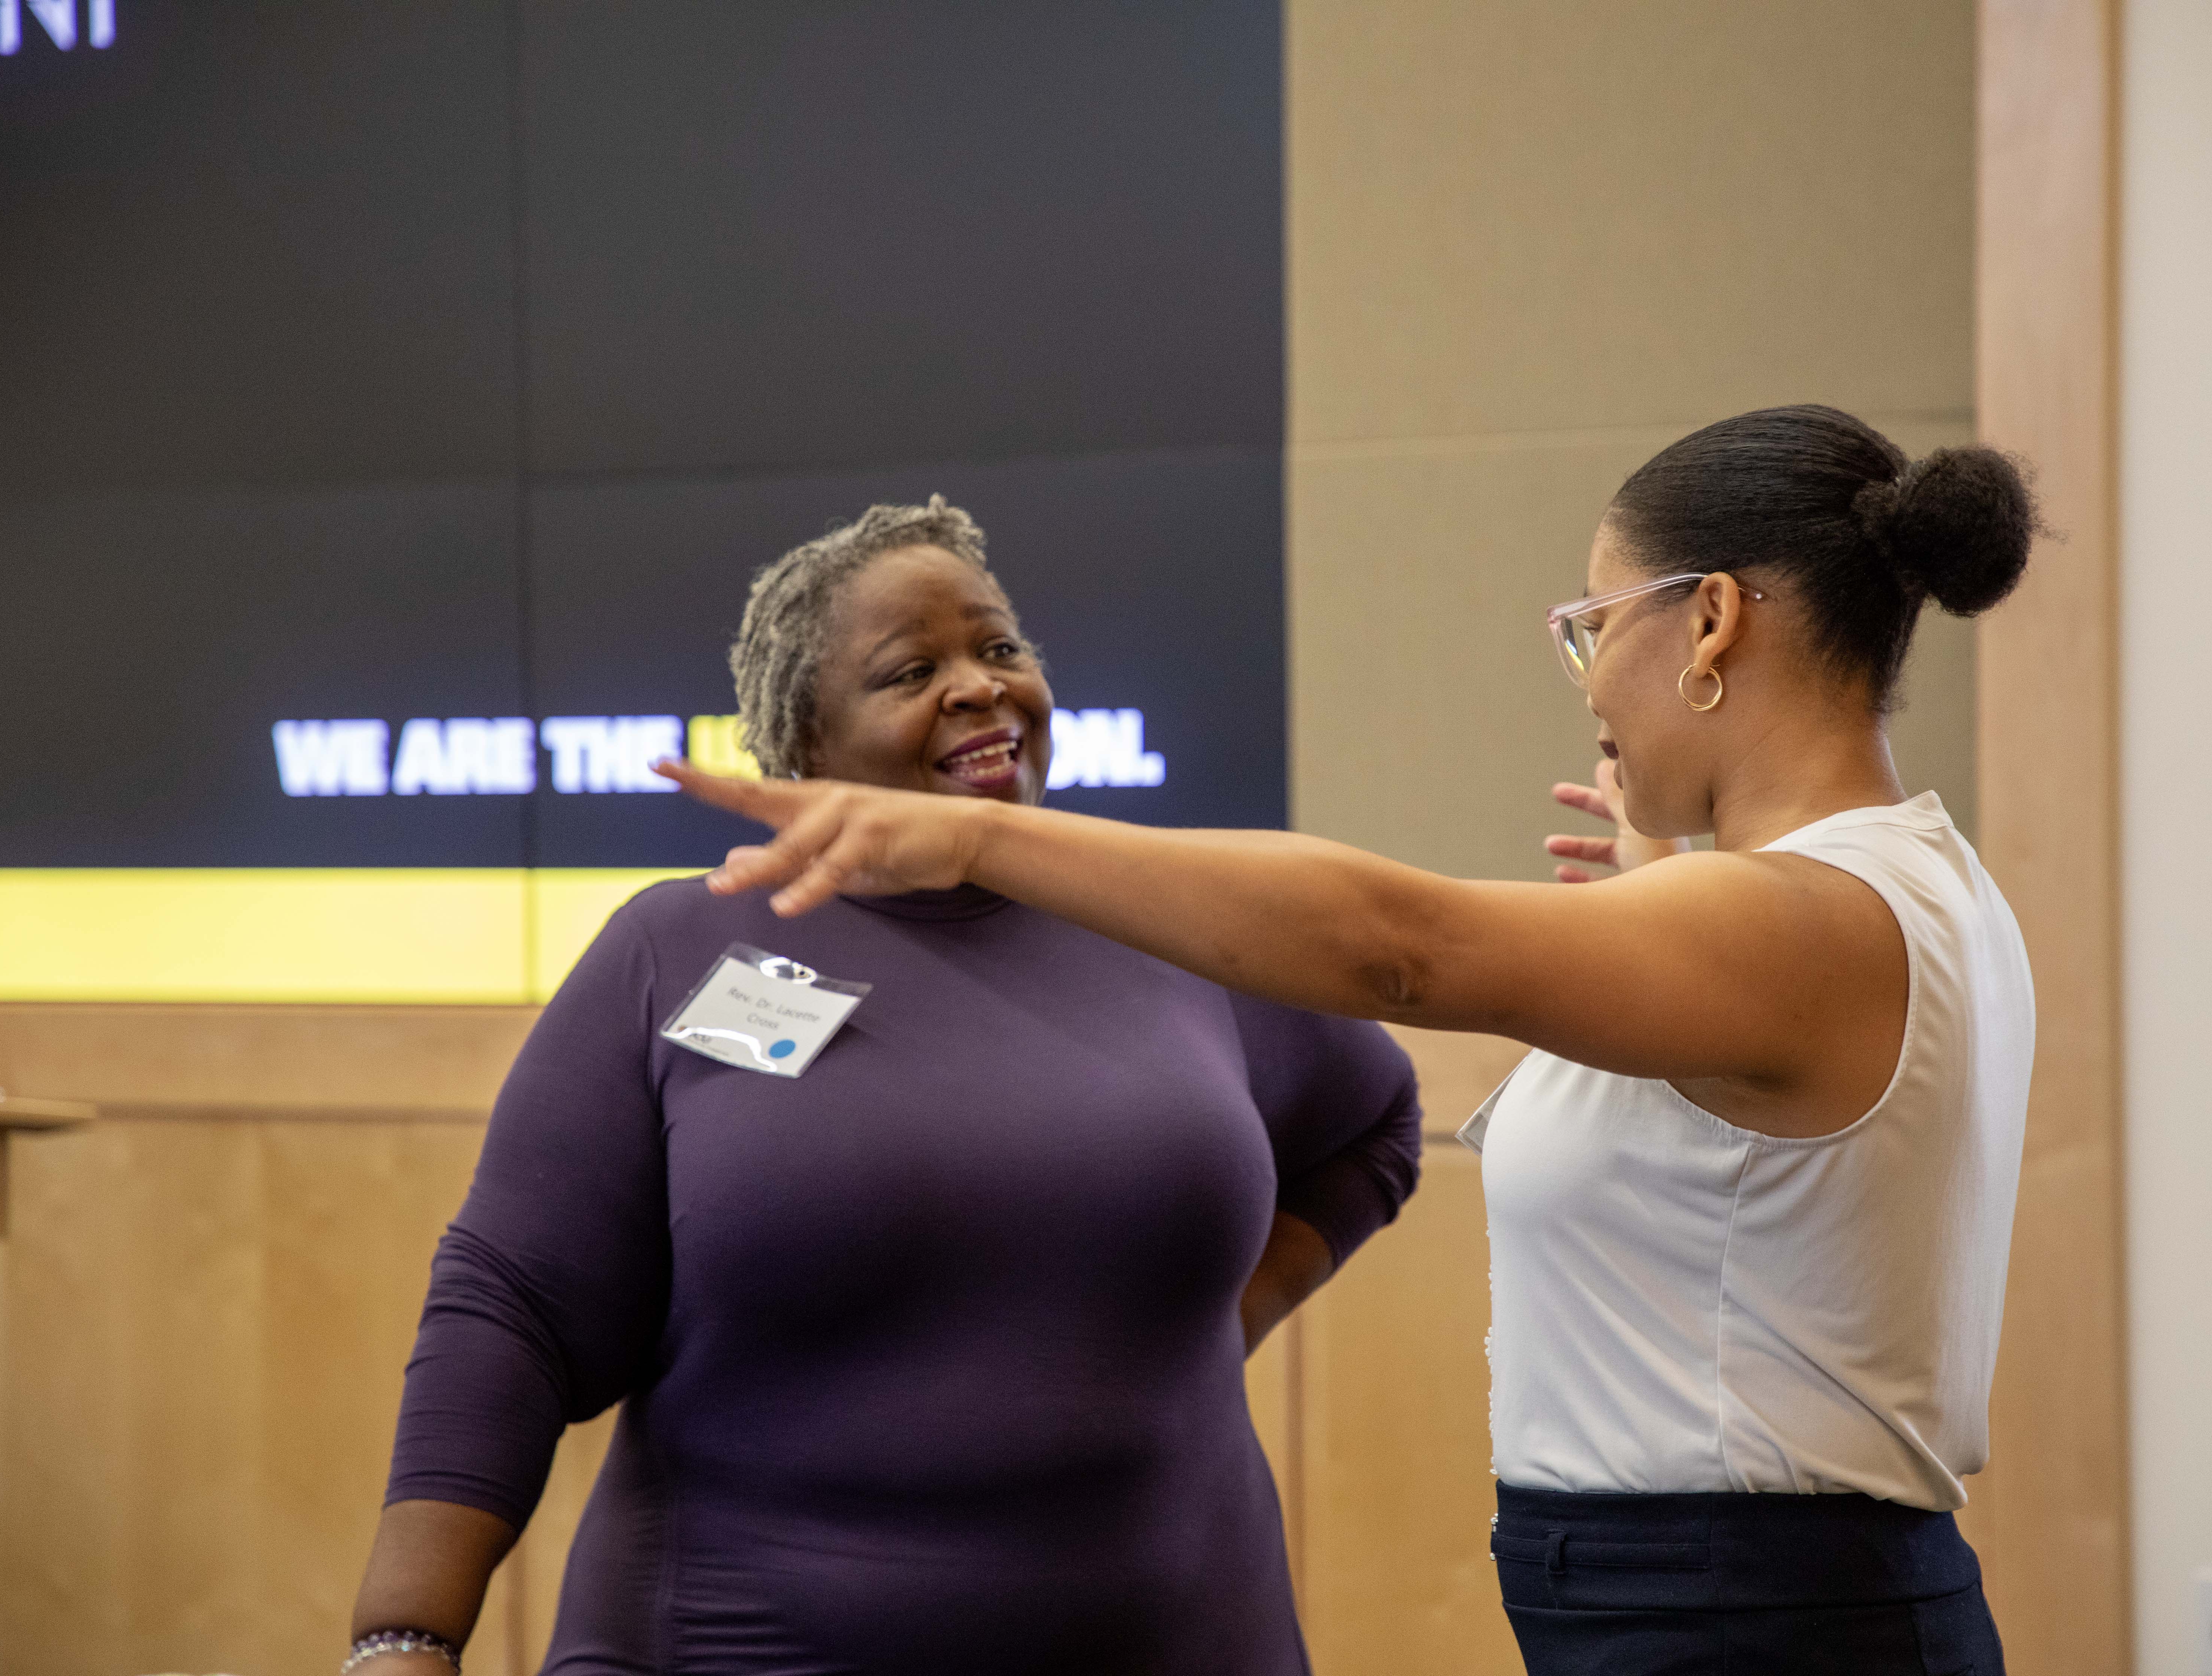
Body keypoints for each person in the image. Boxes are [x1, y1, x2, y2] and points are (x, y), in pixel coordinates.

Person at [660, 407, 2039, 1675]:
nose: (1588, 679)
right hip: (1720, 1601)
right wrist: (1668, 892)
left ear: (1715, 621)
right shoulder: (1880, 891)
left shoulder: (1809, 920)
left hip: (1758, 1618)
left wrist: (976, 836)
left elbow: (1398, 946)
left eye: (1592, 624)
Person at [345, 498, 1423, 1676]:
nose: (979, 686)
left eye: (1000, 648)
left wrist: (1217, 1328)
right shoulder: (676, 952)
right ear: (802, 747)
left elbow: (1372, 1122)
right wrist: (407, 1636)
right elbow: (514, 1309)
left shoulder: (1175, 917)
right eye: (914, 670)